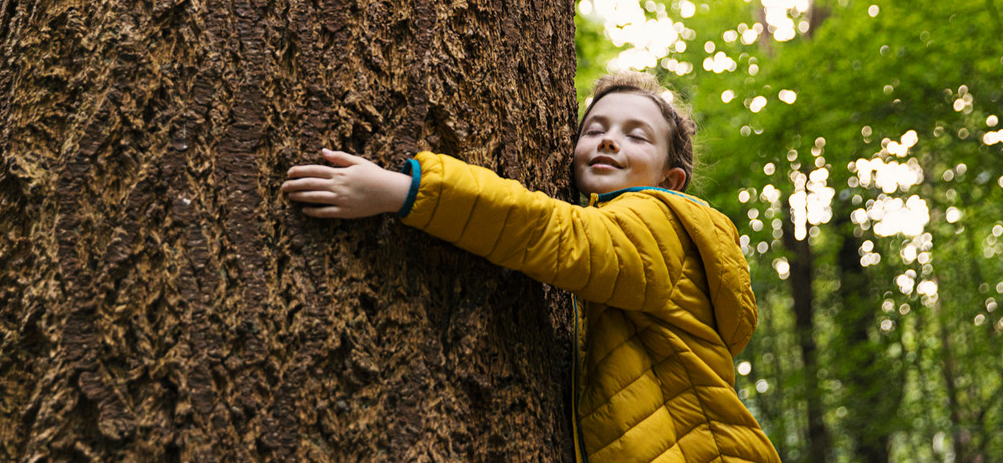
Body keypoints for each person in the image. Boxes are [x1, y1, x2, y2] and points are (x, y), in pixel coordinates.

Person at [280, 72, 780, 463]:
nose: (609, 141)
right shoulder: (642, 239)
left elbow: (555, 235)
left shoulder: (662, 219)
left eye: (636, 137)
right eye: (595, 129)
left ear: (672, 180)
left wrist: (406, 191)